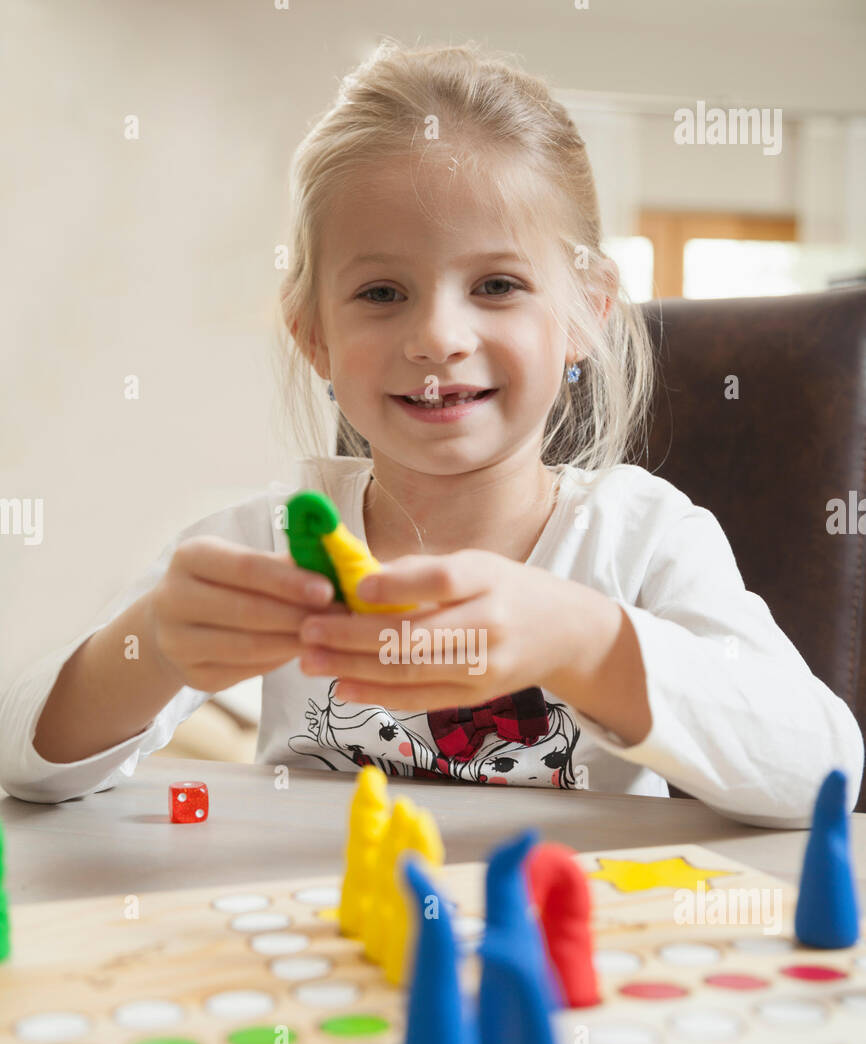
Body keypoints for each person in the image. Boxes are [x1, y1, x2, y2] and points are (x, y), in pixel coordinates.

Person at [0, 40, 861, 826]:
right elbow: (26, 766)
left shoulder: (641, 539)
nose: (437, 337)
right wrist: (154, 642)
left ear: (585, 318)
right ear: (315, 337)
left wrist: (581, 637)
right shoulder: (268, 540)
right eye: (381, 293)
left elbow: (822, 771)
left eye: (496, 285)